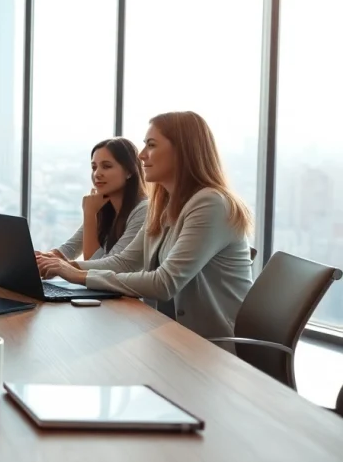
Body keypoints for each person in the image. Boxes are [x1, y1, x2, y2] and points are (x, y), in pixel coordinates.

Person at [37, 111, 253, 340]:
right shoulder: (164, 205)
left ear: (182, 151)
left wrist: (75, 275)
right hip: (166, 333)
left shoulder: (211, 204)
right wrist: (61, 266)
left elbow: (164, 283)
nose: (141, 155)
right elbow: (125, 262)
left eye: (151, 145)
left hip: (210, 346)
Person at [40, 138, 148, 261]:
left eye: (106, 166)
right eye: (94, 167)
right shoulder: (104, 209)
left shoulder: (143, 211)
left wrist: (90, 213)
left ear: (129, 171)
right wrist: (40, 258)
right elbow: (69, 249)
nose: (97, 174)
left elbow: (96, 266)